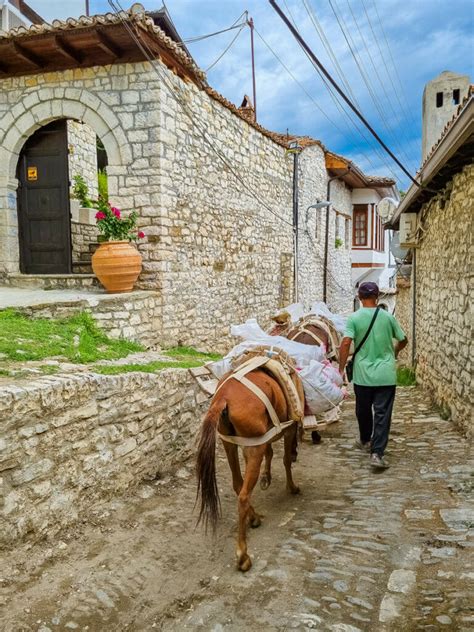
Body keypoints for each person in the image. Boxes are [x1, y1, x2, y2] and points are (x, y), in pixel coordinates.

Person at [338, 282, 408, 469]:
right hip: (386, 375)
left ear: (360, 298)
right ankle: (377, 453)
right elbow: (403, 339)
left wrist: (341, 367)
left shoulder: (354, 318)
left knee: (362, 410)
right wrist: (395, 352)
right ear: (377, 297)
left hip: (362, 375)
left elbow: (345, 343)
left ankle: (365, 439)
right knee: (382, 414)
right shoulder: (387, 318)